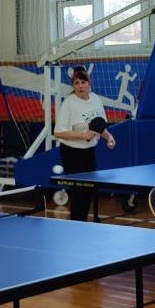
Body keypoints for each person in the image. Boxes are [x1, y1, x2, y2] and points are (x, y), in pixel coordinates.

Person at [53, 65, 115, 222]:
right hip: (72, 154)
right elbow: (58, 132)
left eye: (83, 82)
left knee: (89, 191)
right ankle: (76, 225)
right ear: (73, 86)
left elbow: (98, 125)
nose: (80, 86)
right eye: (76, 83)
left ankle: (84, 225)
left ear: (89, 83)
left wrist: (108, 137)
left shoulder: (95, 99)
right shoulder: (69, 104)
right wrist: (82, 135)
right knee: (79, 192)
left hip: (89, 152)